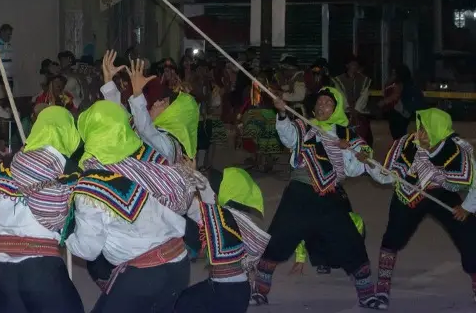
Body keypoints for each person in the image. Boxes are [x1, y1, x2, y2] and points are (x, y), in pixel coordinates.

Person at [249, 87, 380, 308]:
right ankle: (260, 291)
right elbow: (288, 137)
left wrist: (360, 157)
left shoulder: (346, 135)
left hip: (330, 197)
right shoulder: (304, 126)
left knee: (350, 242)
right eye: (319, 102)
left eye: (328, 103)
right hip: (299, 193)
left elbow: (354, 170)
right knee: (277, 240)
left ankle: (367, 294)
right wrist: (282, 114)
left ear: (337, 108)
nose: (321, 106)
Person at [67, 100, 200, 313]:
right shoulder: (147, 160)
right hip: (179, 265)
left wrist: (65, 232)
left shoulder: (92, 185)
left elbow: (88, 250)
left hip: (145, 274)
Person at [367, 107, 476, 305]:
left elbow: (473, 180)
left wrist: (467, 207)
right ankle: (382, 287)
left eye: (425, 129)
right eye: (419, 128)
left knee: (469, 232)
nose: (419, 133)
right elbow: (385, 175)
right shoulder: (406, 144)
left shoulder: (456, 150)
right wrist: (369, 163)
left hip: (441, 195)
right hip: (408, 197)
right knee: (392, 238)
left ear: (438, 131)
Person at [0, 106, 84, 313]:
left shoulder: (8, 164)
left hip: (1, 268)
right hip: (42, 268)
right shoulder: (70, 171)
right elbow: (72, 223)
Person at [175, 167, 271, 313]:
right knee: (185, 300)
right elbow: (206, 199)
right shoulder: (234, 217)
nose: (214, 195)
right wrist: (195, 177)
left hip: (226, 293)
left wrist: (177, 181)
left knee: (181, 304)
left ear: (228, 194)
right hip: (234, 289)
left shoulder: (221, 217)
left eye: (217, 190)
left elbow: (191, 207)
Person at [128, 57, 200, 164]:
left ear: (172, 113)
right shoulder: (162, 135)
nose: (156, 103)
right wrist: (109, 83)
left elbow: (145, 130)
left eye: (163, 102)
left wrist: (137, 92)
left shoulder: (169, 145)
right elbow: (125, 120)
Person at [336, 56, 373, 147]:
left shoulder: (364, 80)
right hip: (345, 112)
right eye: (352, 64)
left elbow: (364, 96)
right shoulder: (339, 80)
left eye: (356, 64)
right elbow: (340, 95)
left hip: (360, 113)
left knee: (365, 137)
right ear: (347, 65)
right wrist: (349, 108)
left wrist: (356, 109)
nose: (354, 66)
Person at [380, 64, 421, 141]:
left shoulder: (401, 85)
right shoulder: (408, 84)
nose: (393, 76)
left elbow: (394, 96)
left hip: (401, 114)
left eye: (394, 73)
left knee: (399, 137)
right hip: (402, 114)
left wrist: (382, 103)